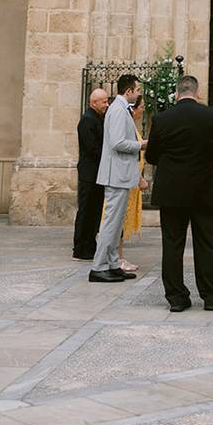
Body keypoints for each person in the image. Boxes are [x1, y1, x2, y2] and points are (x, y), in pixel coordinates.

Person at [146, 75, 213, 312]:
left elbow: (151, 155)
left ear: (176, 94)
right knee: (206, 242)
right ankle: (212, 296)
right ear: (198, 93)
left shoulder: (162, 119)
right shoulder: (212, 116)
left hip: (172, 191)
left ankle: (176, 297)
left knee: (172, 244)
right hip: (204, 188)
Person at [91, 75, 145, 283]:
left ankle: (113, 263)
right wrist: (141, 145)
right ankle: (99, 266)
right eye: (137, 89)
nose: (139, 93)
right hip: (116, 175)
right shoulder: (117, 110)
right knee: (110, 223)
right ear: (129, 91)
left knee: (116, 224)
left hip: (121, 175)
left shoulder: (121, 109)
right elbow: (117, 142)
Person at [72, 88, 109, 261]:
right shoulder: (87, 120)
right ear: (93, 103)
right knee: (86, 210)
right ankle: (80, 247)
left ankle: (90, 244)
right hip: (89, 173)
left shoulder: (97, 118)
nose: (106, 104)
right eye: (104, 102)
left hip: (96, 172)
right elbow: (92, 148)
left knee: (94, 210)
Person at [118, 94, 149, 272]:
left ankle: (119, 256)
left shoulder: (132, 126)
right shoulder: (128, 125)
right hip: (128, 179)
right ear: (134, 109)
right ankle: (118, 257)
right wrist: (139, 178)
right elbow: (130, 151)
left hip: (132, 180)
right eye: (141, 107)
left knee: (122, 220)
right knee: (119, 220)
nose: (142, 110)